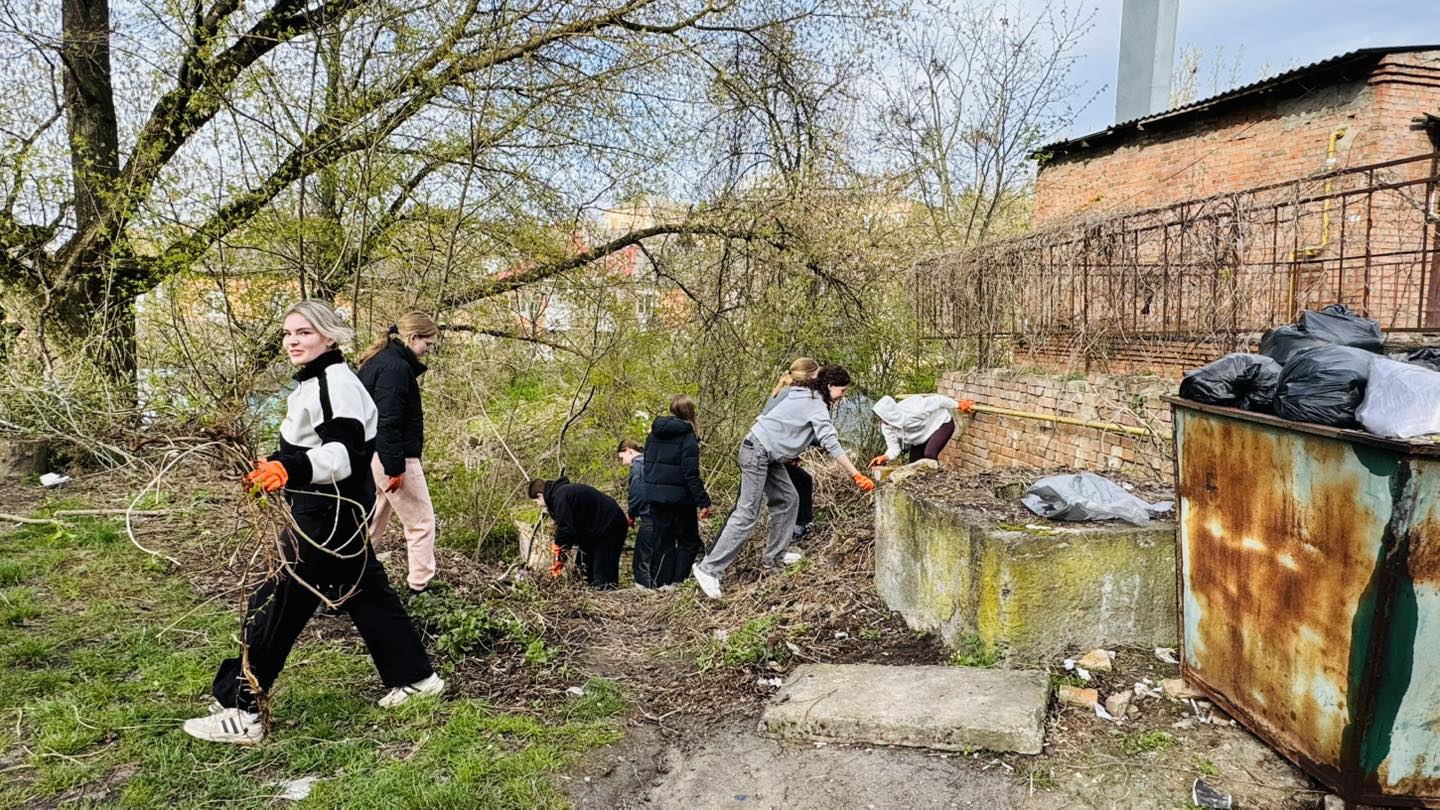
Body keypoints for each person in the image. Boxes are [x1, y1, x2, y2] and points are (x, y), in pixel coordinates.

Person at [185, 300, 443, 745]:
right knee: (365, 593)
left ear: (329, 336)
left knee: (275, 604)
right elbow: (319, 442)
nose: (292, 341)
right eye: (288, 334)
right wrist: (280, 461)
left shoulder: (334, 382)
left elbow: (342, 454)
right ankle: (417, 679)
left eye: (303, 332)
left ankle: (244, 710)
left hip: (325, 515)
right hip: (335, 512)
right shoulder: (320, 380)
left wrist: (291, 471)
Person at [691, 365, 875, 600]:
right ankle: (709, 569)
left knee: (788, 499)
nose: (842, 396)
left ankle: (774, 557)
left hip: (767, 454)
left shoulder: (805, 393)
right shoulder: (815, 403)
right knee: (747, 513)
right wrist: (855, 474)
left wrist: (789, 451)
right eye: (842, 391)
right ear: (830, 386)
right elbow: (830, 441)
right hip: (757, 452)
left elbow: (785, 424)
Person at [357, 312, 441, 595]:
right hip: (394, 456)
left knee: (374, 519)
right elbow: (388, 419)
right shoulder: (395, 369)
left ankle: (344, 582)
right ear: (413, 337)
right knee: (421, 522)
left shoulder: (376, 361)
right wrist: (395, 467)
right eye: (427, 344)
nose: (427, 351)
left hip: (371, 454)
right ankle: (420, 587)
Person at [641, 395, 712, 587]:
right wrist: (703, 501)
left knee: (662, 542)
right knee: (688, 542)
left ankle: (659, 584)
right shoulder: (688, 437)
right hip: (680, 500)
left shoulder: (652, 435)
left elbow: (647, 466)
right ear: (690, 412)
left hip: (656, 498)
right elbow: (690, 473)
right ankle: (677, 582)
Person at [530, 477, 628, 589]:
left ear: (540, 495)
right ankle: (585, 591)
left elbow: (566, 529)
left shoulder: (560, 497)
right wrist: (561, 558)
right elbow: (570, 531)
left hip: (611, 525)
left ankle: (606, 596)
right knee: (582, 568)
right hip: (593, 531)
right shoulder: (560, 495)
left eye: (536, 501)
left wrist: (558, 546)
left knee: (602, 571)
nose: (538, 505)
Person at [764, 358, 820, 539]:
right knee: (746, 509)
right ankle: (797, 528)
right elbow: (791, 427)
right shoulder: (791, 395)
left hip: (770, 451)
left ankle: (795, 529)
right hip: (765, 453)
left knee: (799, 483)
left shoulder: (782, 392)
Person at [867, 394, 972, 468]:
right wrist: (885, 457)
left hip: (941, 424)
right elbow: (894, 448)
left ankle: (935, 484)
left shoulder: (915, 410)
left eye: (883, 417)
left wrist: (958, 405)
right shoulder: (887, 426)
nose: (882, 421)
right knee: (913, 465)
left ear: (890, 415)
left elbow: (938, 400)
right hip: (921, 438)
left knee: (929, 455)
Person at [616, 439, 656, 588]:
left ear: (629, 451)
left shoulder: (638, 466)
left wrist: (631, 514)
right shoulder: (652, 462)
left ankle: (644, 593)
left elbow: (638, 494)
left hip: (649, 517)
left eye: (622, 458)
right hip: (662, 516)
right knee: (655, 559)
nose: (624, 463)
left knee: (641, 561)